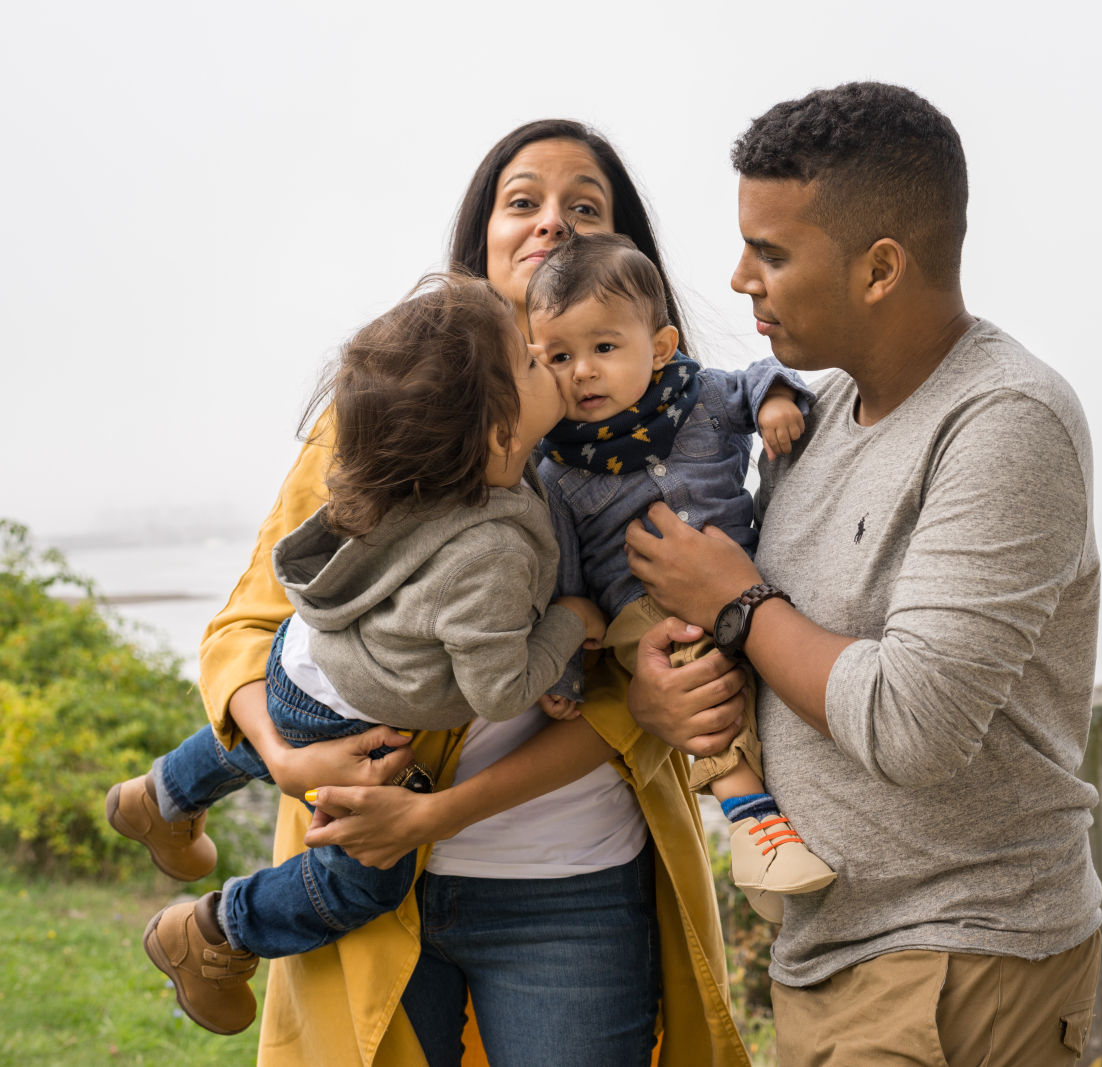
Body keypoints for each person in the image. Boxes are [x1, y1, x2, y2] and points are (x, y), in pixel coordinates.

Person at [191, 121, 751, 1066]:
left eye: (585, 207)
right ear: (481, 241)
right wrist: (283, 756)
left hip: (573, 883)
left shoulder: (675, 447)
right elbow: (252, 622)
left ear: (628, 262)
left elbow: (657, 667)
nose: (553, 224)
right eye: (523, 201)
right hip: (366, 866)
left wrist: (645, 700)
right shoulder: (384, 413)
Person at [624, 82, 1102, 1066]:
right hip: (827, 958)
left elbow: (912, 722)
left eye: (770, 252)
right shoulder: (813, 416)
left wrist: (735, 602)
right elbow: (780, 657)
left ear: (881, 267)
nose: (740, 278)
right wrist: (668, 689)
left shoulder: (1006, 421)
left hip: (961, 958)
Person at [108, 272, 622, 1036]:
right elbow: (496, 686)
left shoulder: (415, 453)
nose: (546, 359)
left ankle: (163, 792)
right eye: (529, 359)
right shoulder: (492, 548)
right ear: (499, 437)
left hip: (305, 662)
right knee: (369, 878)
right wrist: (569, 623)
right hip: (346, 712)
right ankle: (216, 929)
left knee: (285, 721)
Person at [528, 231, 835, 909]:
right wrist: (565, 670)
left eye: (604, 347)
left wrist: (775, 401)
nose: (582, 372)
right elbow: (566, 585)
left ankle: (790, 823)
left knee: (786, 652)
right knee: (696, 668)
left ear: (660, 347)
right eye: (559, 356)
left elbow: (758, 377)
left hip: (744, 576)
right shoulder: (556, 469)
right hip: (646, 612)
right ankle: (751, 820)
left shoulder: (698, 396)